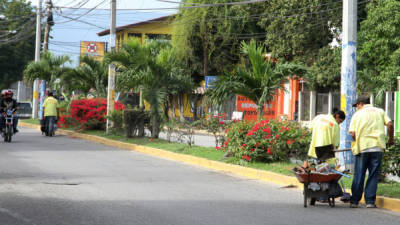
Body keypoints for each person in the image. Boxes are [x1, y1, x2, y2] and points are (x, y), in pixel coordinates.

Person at [349, 96, 394, 208]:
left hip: (362, 147)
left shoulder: (357, 114)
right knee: (373, 175)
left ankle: (354, 201)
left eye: (356, 106)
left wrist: (356, 142)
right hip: (377, 147)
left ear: (360, 104)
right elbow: (390, 125)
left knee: (359, 174)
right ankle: (369, 202)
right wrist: (391, 139)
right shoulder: (380, 111)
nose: (356, 108)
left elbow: (353, 133)